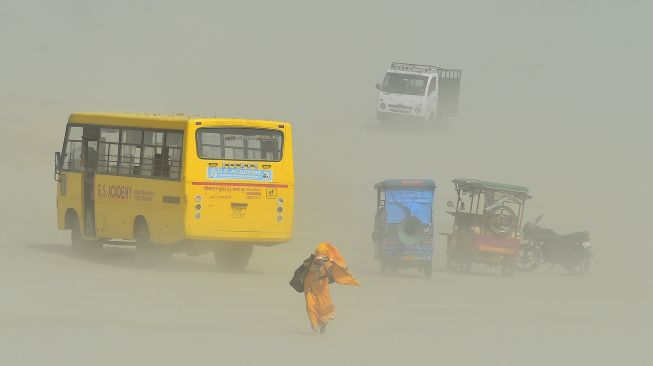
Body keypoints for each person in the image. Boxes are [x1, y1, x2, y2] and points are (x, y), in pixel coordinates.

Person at [303, 242, 360, 334]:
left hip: (322, 289)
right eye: (318, 260)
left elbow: (331, 277)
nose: (319, 263)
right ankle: (314, 325)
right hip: (309, 287)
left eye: (321, 261)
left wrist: (322, 276)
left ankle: (323, 323)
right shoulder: (310, 261)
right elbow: (304, 269)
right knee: (310, 305)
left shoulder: (328, 264)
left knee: (323, 308)